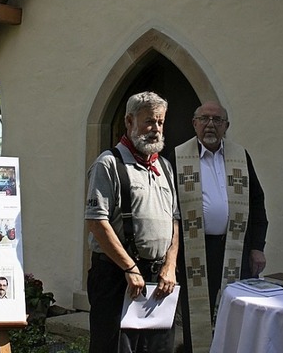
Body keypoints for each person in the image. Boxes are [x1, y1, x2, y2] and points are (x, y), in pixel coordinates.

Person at [85, 91, 180, 353]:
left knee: (156, 349)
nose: (156, 129)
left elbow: (174, 220)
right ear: (129, 122)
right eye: (149, 121)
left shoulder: (165, 166)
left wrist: (170, 265)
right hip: (116, 277)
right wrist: (129, 267)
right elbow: (97, 222)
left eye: (160, 122)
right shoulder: (109, 164)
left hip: (158, 279)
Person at [174, 101, 268, 352]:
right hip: (195, 250)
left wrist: (257, 247)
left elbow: (257, 203)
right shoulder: (178, 158)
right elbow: (170, 211)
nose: (210, 125)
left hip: (235, 249)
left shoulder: (240, 156)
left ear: (226, 126)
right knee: (198, 316)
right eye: (204, 119)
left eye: (217, 120)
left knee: (235, 312)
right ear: (194, 123)